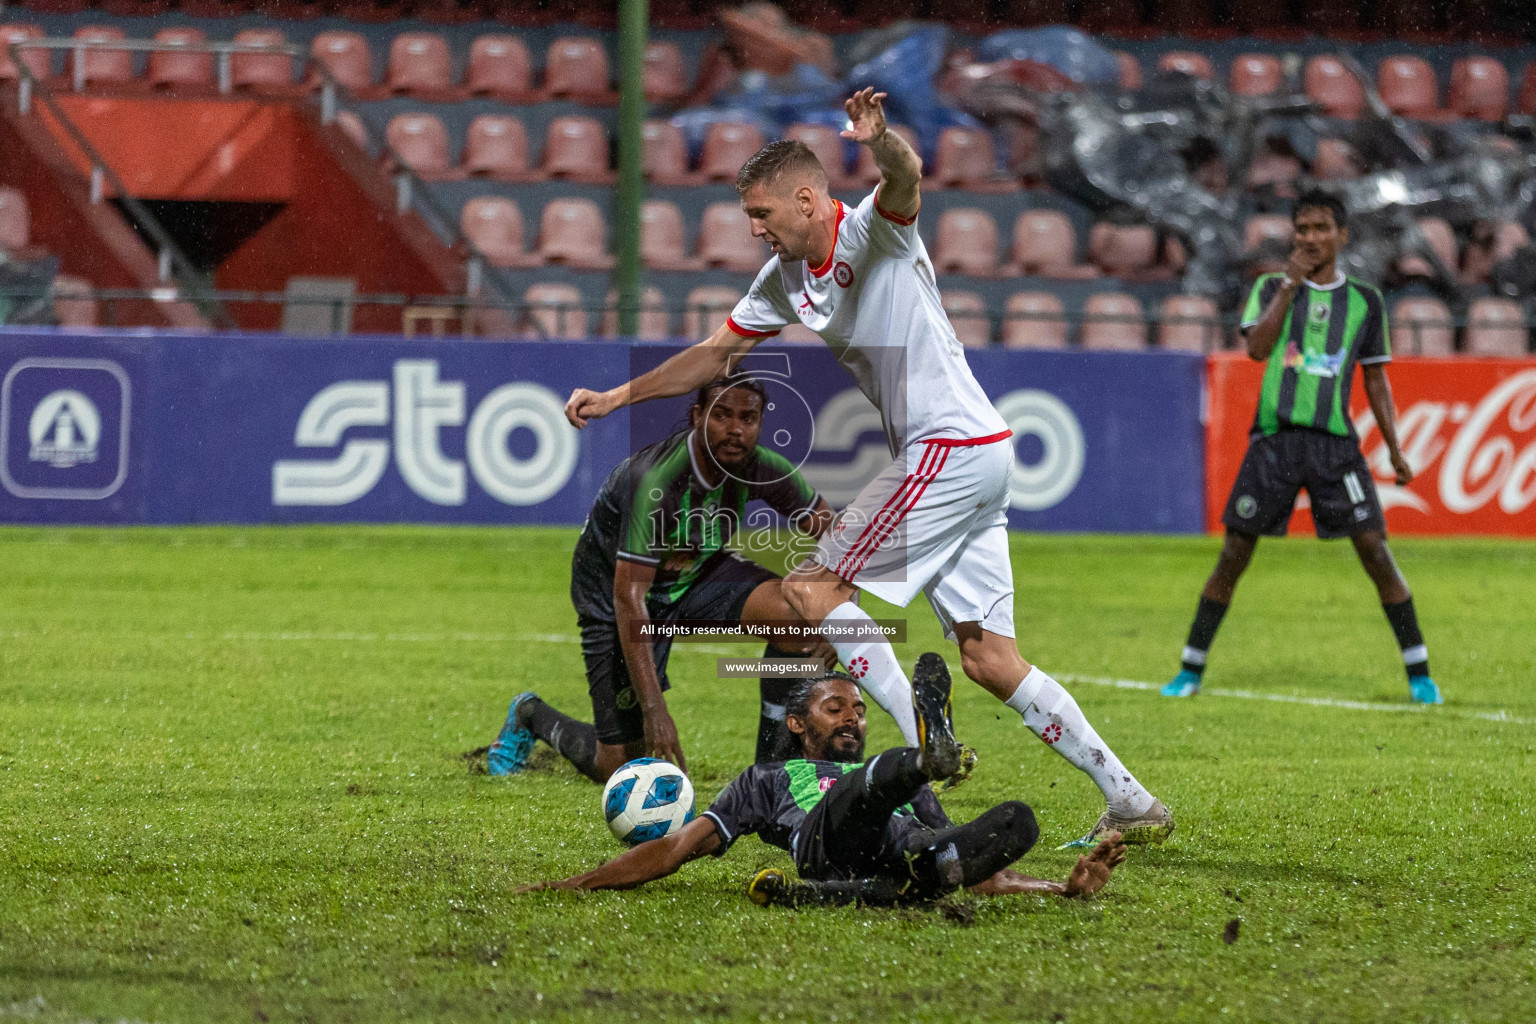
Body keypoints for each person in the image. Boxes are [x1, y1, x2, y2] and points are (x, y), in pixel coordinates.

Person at [563, 87, 1172, 848]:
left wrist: (880, 141)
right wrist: (618, 395)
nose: (755, 231)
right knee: (989, 657)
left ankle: (923, 733)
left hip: (947, 449)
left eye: (764, 215)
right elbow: (715, 355)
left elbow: (908, 178)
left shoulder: (874, 233)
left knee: (811, 589)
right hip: (978, 457)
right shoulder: (783, 279)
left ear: (810, 199)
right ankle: (1130, 799)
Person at [520, 662, 1127, 906]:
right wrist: (576, 882)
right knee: (868, 787)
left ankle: (891, 887)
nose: (851, 718)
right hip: (823, 841)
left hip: (900, 848)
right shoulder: (766, 780)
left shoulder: (894, 784)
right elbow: (679, 846)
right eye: (834, 708)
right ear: (797, 723)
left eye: (859, 710)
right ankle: (925, 755)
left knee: (1017, 820)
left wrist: (1059, 888)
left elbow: (968, 858)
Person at [1163, 190, 1442, 705]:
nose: (1310, 238)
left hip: (1336, 447)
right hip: (1274, 443)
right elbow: (1257, 349)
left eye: (1320, 228)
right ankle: (1190, 669)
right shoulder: (1271, 287)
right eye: (1303, 229)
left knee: (1375, 551)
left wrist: (1396, 449)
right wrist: (1289, 286)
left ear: (1342, 235)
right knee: (1234, 555)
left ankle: (1420, 673)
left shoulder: (1366, 301)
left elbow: (1375, 379)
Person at [489, 373, 838, 783]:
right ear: (697, 416)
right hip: (612, 594)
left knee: (804, 619)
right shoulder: (655, 481)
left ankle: (772, 773)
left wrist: (838, 608)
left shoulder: (761, 466)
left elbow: (835, 532)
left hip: (696, 573)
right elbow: (628, 600)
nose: (736, 429)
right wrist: (656, 712)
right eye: (722, 415)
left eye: (749, 418)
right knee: (618, 766)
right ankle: (531, 715)